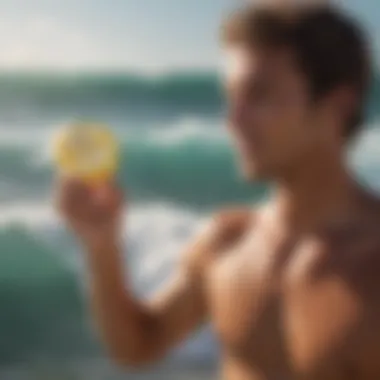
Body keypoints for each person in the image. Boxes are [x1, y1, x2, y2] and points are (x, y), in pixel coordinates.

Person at [56, 3, 380, 379]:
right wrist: (101, 245)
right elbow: (138, 345)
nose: (233, 119)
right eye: (231, 97)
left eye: (258, 94)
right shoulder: (227, 242)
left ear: (338, 105)